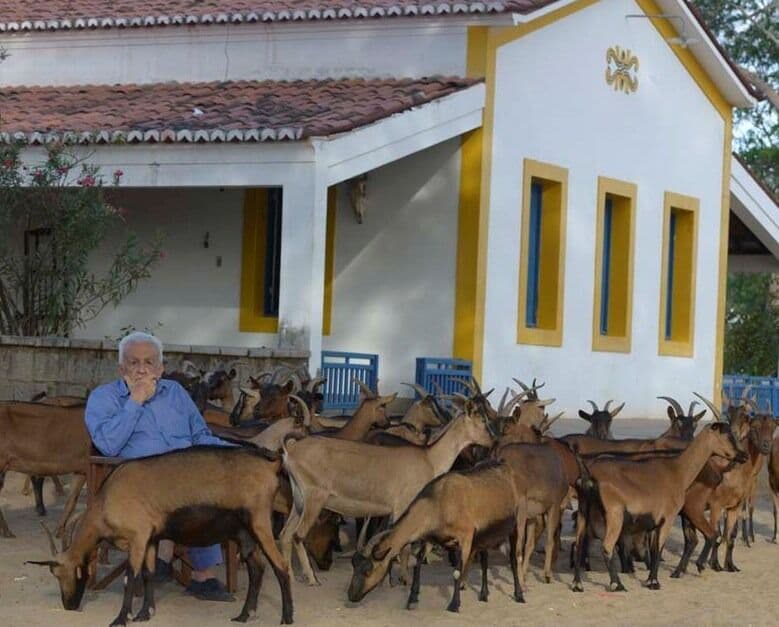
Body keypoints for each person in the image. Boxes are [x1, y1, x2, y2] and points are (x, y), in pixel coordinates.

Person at [85, 331, 234, 602]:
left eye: (149, 362)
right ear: (121, 368)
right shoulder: (104, 398)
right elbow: (108, 445)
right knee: (187, 489)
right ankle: (163, 557)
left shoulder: (175, 392)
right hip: (138, 485)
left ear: (161, 368)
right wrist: (136, 400)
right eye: (133, 363)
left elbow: (200, 435)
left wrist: (240, 453)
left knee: (211, 485)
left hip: (187, 476)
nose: (142, 369)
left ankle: (198, 575)